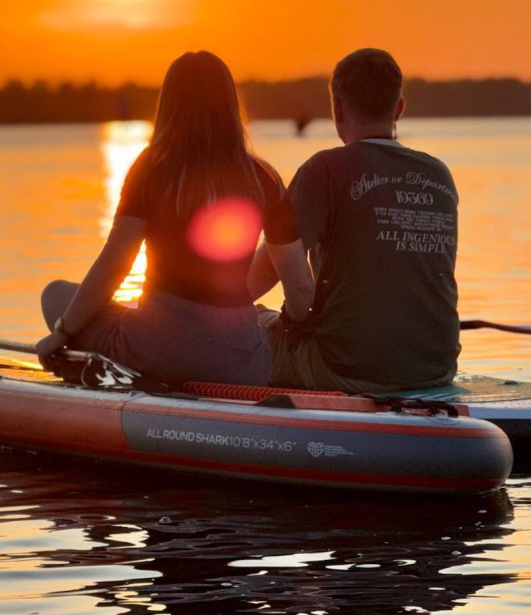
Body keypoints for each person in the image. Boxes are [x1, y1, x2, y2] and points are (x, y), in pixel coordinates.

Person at [36, 51, 314, 387]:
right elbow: (299, 289)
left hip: (156, 351)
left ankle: (108, 374)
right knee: (261, 316)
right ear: (229, 105)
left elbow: (116, 262)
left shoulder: (151, 167)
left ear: (168, 104)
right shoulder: (264, 177)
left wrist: (62, 332)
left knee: (55, 295)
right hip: (238, 364)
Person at [250, 48, 461, 394]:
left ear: (336, 108)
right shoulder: (439, 175)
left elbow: (268, 267)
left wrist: (219, 309)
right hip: (436, 368)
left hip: (342, 369)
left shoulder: (325, 170)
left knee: (253, 320)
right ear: (399, 109)